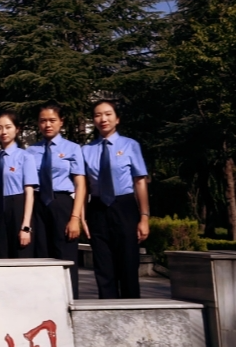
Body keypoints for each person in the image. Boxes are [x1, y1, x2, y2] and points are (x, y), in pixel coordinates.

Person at [82, 100, 150, 299]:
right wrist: (82, 217)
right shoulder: (86, 150)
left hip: (124, 207)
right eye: (98, 115)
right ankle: (107, 309)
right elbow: (83, 186)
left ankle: (132, 310)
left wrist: (144, 216)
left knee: (128, 264)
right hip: (97, 209)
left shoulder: (130, 145)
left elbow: (140, 182)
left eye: (108, 114)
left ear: (117, 119)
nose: (103, 119)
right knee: (103, 268)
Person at [27, 102, 86, 298]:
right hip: (38, 205)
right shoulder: (31, 151)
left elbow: (80, 185)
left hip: (62, 204)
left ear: (61, 122)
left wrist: (75, 218)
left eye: (52, 120)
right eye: (43, 121)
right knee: (41, 255)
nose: (47, 125)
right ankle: (45, 301)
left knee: (65, 255)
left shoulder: (72, 148)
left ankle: (70, 300)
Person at [0, 112, 38, 259]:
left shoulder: (25, 157)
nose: (3, 132)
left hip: (17, 207)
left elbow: (29, 193)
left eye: (8, 127)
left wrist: (26, 227)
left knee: (21, 257)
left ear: (17, 129)